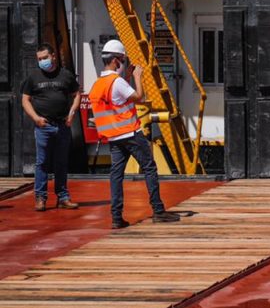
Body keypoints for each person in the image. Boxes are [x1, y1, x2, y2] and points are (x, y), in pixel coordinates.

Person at [87, 39, 179, 229]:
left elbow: (117, 101)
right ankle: (158, 211)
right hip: (131, 134)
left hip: (114, 138)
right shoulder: (117, 82)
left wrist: (127, 78)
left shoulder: (98, 84)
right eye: (123, 60)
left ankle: (116, 217)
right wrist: (137, 76)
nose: (124, 63)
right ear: (116, 60)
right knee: (149, 168)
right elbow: (139, 97)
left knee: (116, 175)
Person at [21, 43, 82, 212]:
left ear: (53, 56)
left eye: (45, 58)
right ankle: (40, 198)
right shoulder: (33, 77)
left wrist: (72, 114)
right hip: (44, 127)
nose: (42, 61)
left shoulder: (66, 75)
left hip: (62, 125)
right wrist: (36, 118)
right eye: (40, 59)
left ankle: (63, 197)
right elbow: (25, 99)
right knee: (42, 163)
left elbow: (77, 94)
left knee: (61, 162)